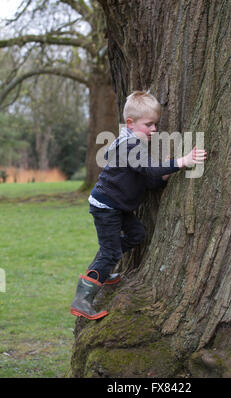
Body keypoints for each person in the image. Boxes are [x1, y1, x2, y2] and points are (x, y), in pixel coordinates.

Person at [70, 90, 207, 320]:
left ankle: (101, 268)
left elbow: (148, 176)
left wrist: (162, 176)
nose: (154, 130)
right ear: (131, 123)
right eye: (149, 125)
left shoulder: (135, 142)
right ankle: (82, 299)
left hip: (117, 207)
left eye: (155, 125)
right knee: (111, 251)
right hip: (106, 206)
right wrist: (182, 161)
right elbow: (151, 170)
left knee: (136, 234)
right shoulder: (129, 145)